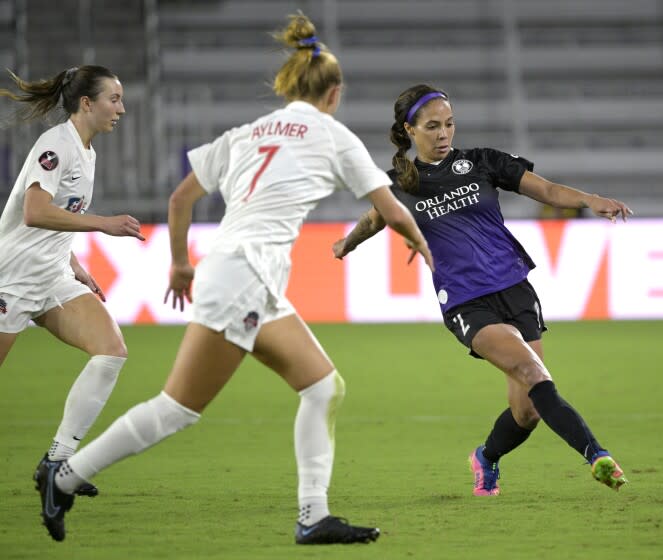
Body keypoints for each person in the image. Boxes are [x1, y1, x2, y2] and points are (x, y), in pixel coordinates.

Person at [35, 14, 432, 545]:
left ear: (290, 83)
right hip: (244, 275)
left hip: (245, 276)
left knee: (322, 386)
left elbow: (181, 198)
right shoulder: (335, 138)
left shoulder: (250, 132)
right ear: (334, 93)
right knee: (178, 408)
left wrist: (179, 263)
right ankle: (64, 477)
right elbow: (393, 210)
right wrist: (425, 247)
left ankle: (313, 516)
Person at [333, 84, 631, 497]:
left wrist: (591, 200)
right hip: (466, 301)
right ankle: (596, 455)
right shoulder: (400, 183)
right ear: (409, 130)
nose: (444, 134)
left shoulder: (483, 162)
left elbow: (544, 190)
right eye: (433, 126)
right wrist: (346, 243)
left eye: (450, 124)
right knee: (533, 374)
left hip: (516, 290)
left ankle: (486, 458)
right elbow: (373, 219)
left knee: (527, 410)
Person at [0, 65, 144, 500]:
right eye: (114, 99)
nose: (121, 107)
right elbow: (35, 212)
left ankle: (57, 462)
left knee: (111, 350)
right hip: (14, 278)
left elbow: (57, 221)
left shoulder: (87, 151)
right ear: (87, 103)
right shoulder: (56, 146)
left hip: (54, 276)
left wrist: (75, 264)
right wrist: (102, 224)